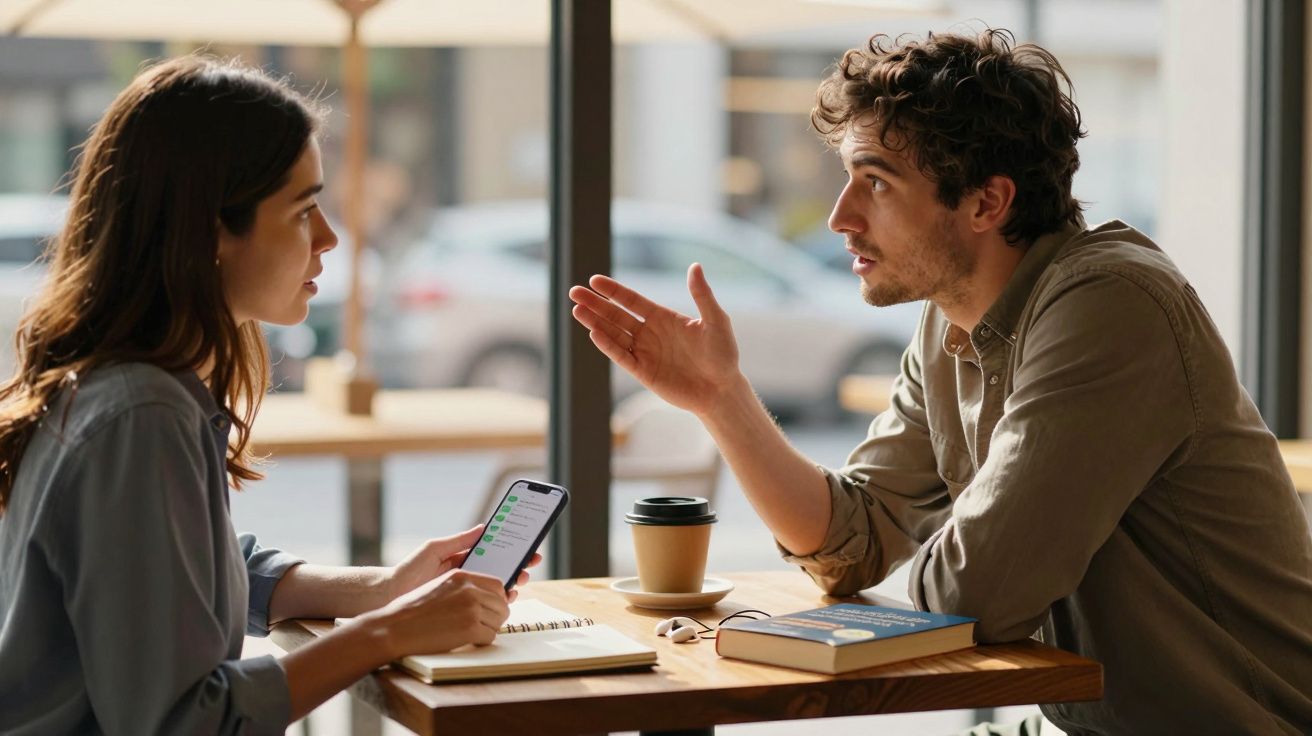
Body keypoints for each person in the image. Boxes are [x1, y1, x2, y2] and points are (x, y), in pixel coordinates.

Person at [569, 28, 1312, 735]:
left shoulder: (1111, 305)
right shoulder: (949, 321)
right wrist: (720, 399)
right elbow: (853, 542)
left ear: (987, 202)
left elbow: (976, 598)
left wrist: (935, 566)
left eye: (877, 183)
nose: (838, 217)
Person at [0, 57, 531, 734]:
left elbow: (188, 576)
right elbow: (184, 723)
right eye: (305, 209)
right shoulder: (142, 415)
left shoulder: (124, 388)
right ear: (213, 229)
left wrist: (385, 588)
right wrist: (385, 633)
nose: (330, 238)